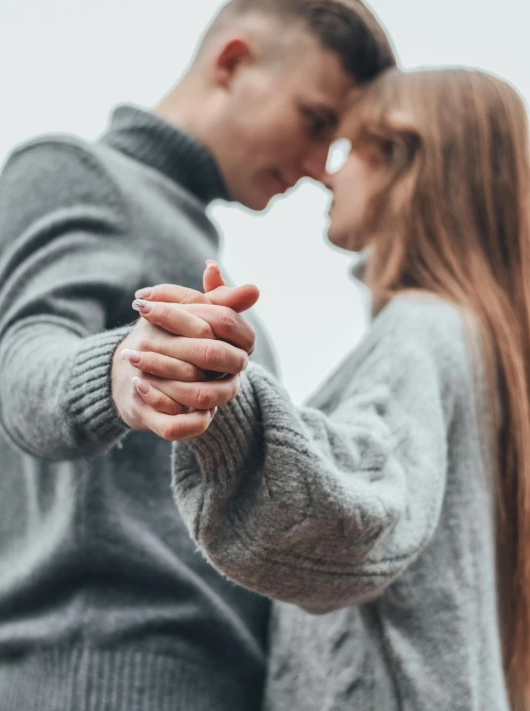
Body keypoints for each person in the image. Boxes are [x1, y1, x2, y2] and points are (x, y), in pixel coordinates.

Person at [0, 0, 395, 711]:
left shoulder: (189, 244)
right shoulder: (72, 171)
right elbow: (20, 365)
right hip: (105, 679)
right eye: (314, 122)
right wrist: (122, 369)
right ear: (233, 62)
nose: (316, 170)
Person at [130, 67, 530, 710]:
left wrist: (225, 393)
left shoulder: (423, 328)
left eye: (351, 152)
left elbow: (358, 509)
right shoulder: (480, 340)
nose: (327, 174)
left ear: (407, 168)